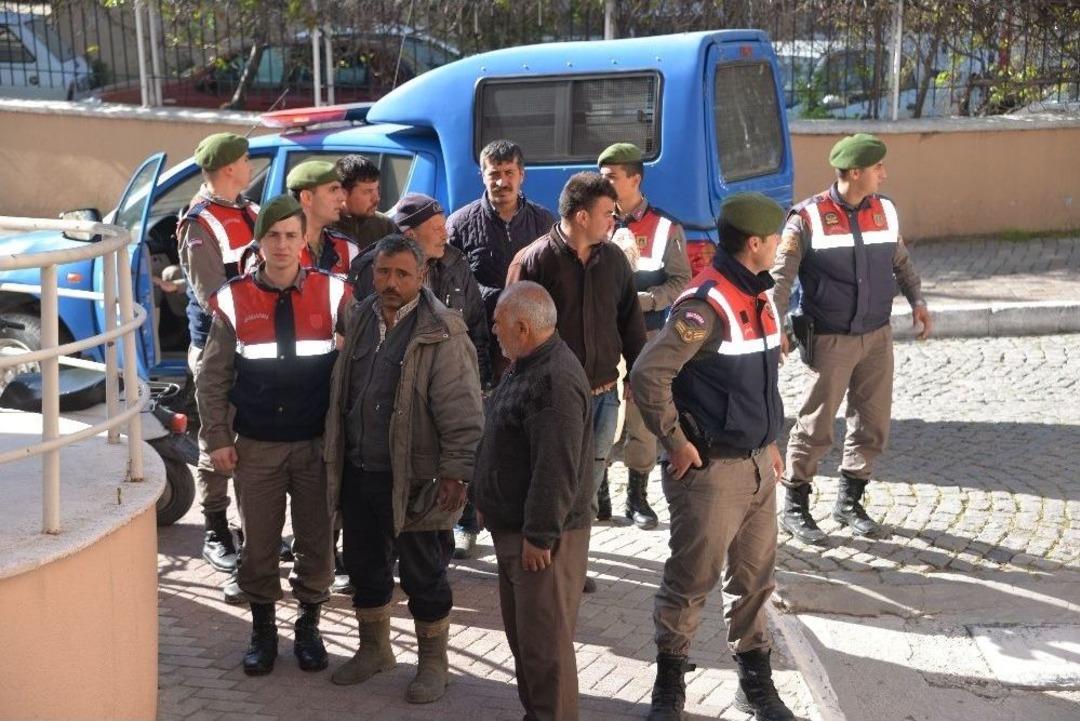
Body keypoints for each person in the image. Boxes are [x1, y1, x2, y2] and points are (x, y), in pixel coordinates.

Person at [630, 192, 796, 721]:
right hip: (711, 473)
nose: (780, 244)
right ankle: (669, 687)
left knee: (754, 582)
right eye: (775, 238)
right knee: (690, 583)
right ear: (755, 243)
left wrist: (769, 439)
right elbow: (648, 375)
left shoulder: (757, 294)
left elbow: (756, 383)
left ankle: (755, 685)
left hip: (756, 465)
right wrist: (675, 441)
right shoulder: (706, 305)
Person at [324, 234, 484, 704]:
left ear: (422, 276)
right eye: (383, 272)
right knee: (364, 566)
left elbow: (462, 410)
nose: (391, 283)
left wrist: (456, 472)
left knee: (423, 575)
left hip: (419, 478)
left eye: (402, 274)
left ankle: (434, 664)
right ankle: (374, 650)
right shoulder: (359, 316)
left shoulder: (443, 329)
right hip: (360, 471)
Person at [196, 195, 346, 676]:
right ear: (259, 242)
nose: (282, 245)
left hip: (317, 447)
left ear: (304, 240)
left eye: (291, 235)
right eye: (273, 236)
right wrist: (218, 439)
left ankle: (308, 626)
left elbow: (359, 363)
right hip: (256, 446)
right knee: (258, 545)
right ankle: (263, 632)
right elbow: (212, 378)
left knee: (317, 543)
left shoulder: (334, 293)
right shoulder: (232, 299)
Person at [771, 133, 932, 545]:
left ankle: (849, 502)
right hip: (830, 339)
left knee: (872, 421)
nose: (884, 174)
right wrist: (776, 328)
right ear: (855, 172)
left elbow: (900, 262)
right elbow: (780, 280)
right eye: (878, 167)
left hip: (877, 335)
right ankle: (795, 505)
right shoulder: (806, 218)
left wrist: (917, 300)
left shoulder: (885, 210)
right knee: (816, 424)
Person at [507, 172, 647, 590]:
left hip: (603, 396)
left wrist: (636, 373)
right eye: (607, 213)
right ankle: (536, 557)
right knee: (549, 479)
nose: (614, 220)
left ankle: (571, 563)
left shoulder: (614, 259)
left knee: (587, 484)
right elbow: (512, 329)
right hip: (551, 399)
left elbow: (630, 320)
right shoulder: (534, 261)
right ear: (582, 216)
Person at [471, 281, 593, 721]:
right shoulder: (527, 364)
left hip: (541, 538)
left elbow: (555, 468)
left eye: (498, 323)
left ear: (523, 328)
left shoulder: (553, 379)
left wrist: (539, 535)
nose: (493, 330)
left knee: (544, 648)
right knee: (527, 641)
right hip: (518, 529)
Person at [446, 139, 554, 558]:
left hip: (530, 350)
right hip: (480, 348)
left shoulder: (543, 222)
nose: (502, 181)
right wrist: (504, 299)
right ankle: (466, 521)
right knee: (477, 434)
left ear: (522, 175)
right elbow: (455, 283)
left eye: (510, 173)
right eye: (494, 173)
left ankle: (524, 521)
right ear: (483, 174)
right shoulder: (460, 224)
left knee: (526, 435)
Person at [176, 131, 257, 599]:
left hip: (253, 344)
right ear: (228, 168)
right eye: (245, 160)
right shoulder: (199, 222)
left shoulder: (248, 210)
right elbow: (212, 296)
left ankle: (252, 530)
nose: (250, 166)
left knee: (249, 438)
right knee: (217, 435)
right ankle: (215, 530)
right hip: (216, 348)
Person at [597, 142, 692, 530]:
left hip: (646, 334)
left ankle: (637, 497)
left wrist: (649, 300)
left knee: (640, 418)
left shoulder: (666, 226)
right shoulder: (595, 219)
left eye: (611, 177)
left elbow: (681, 280)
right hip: (601, 337)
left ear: (634, 179)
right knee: (601, 414)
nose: (604, 183)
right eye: (601, 176)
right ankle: (599, 493)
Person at [348, 192, 491, 387]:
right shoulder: (373, 270)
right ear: (410, 235)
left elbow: (476, 328)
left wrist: (480, 383)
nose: (445, 235)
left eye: (444, 226)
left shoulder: (455, 263)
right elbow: (360, 339)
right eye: (437, 229)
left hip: (449, 382)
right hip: (393, 385)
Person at [286, 160, 359, 277]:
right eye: (333, 189)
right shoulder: (274, 248)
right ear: (307, 197)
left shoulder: (347, 249)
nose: (342, 197)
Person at [334, 154, 399, 250]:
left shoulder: (385, 226)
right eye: (368, 191)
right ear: (344, 193)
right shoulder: (324, 227)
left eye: (377, 189)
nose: (376, 198)